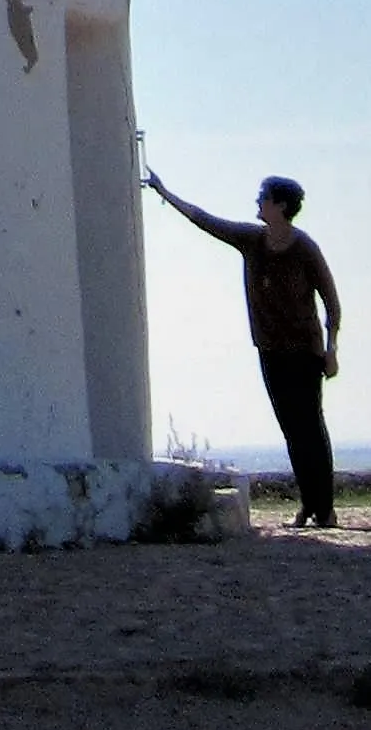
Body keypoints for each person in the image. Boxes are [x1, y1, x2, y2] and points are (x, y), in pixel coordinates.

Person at [146, 168, 341, 527]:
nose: (257, 203)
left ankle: (325, 508)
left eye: (263, 198)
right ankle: (308, 505)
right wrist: (164, 190)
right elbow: (204, 220)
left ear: (280, 206)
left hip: (305, 351)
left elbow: (331, 301)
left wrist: (332, 350)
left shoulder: (304, 248)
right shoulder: (251, 240)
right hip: (271, 351)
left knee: (311, 425)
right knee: (290, 429)